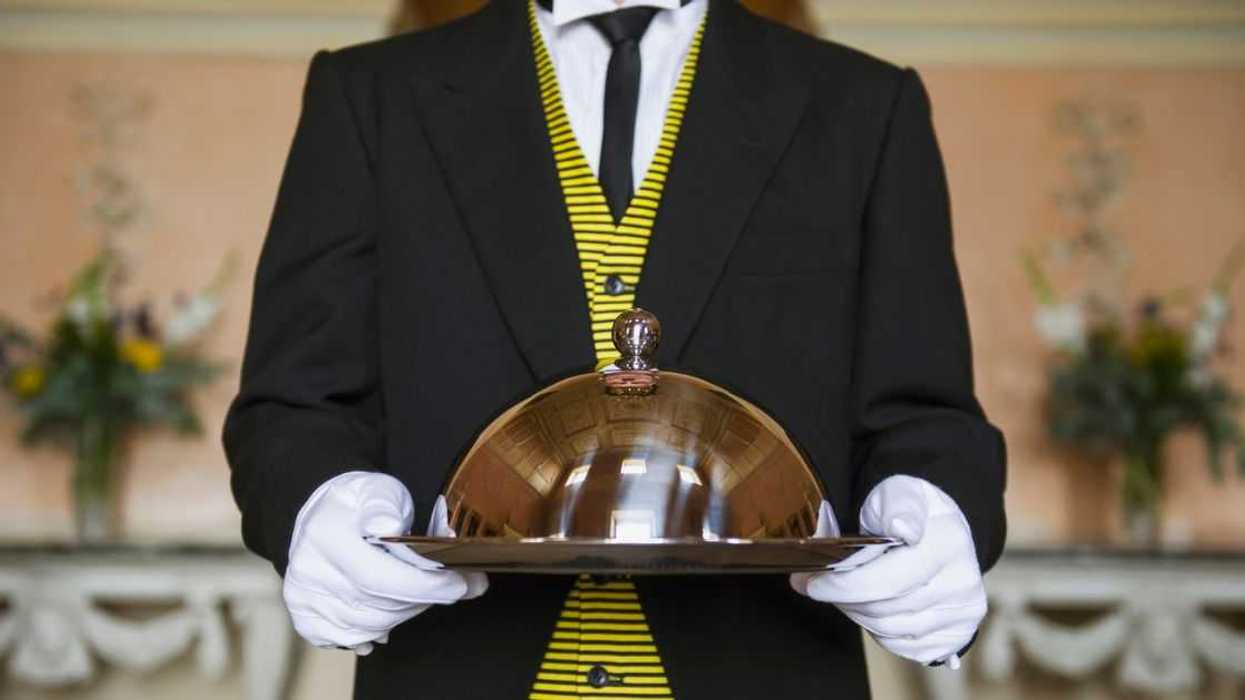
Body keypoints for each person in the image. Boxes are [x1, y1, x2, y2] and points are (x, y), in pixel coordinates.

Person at [223, 1, 1008, 697]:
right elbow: (293, 404)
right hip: (457, 665)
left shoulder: (864, 105)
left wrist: (933, 508)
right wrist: (317, 505)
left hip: (762, 667)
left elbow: (923, 414)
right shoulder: (369, 95)